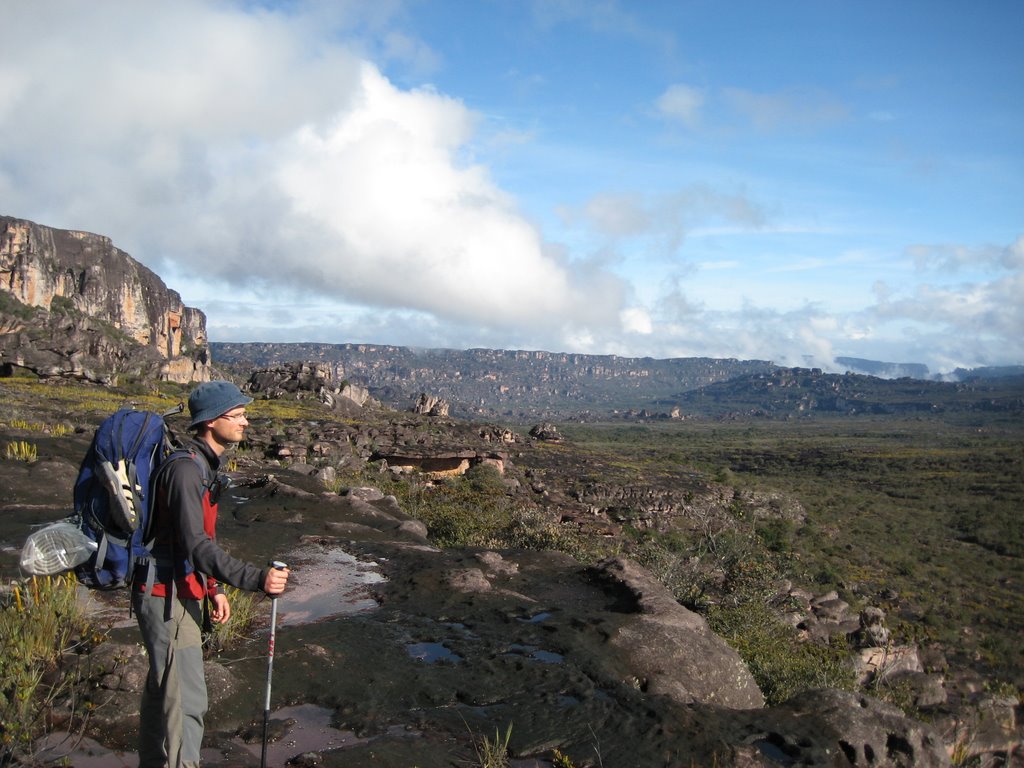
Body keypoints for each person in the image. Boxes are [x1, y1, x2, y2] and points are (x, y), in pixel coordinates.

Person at [133, 380, 290, 768]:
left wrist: (214, 588)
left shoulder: (203, 465)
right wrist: (256, 580)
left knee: (162, 697)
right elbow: (195, 546)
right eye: (237, 415)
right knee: (186, 704)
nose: (245, 422)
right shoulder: (186, 471)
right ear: (210, 422)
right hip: (164, 596)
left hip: (178, 590)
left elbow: (200, 535)